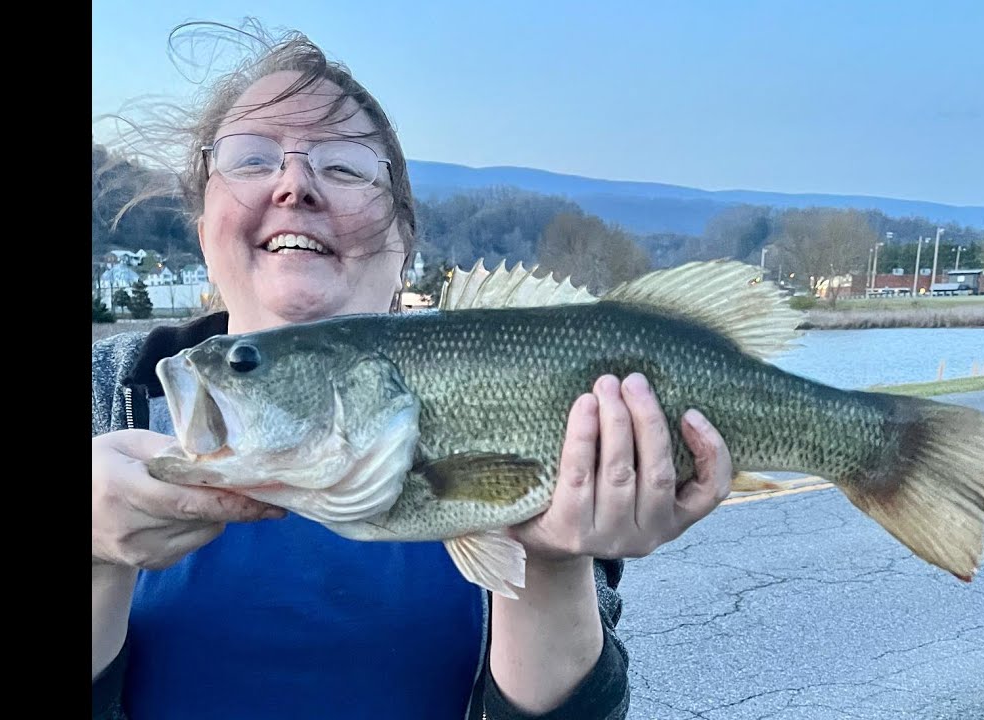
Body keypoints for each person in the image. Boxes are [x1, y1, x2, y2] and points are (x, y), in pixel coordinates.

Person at [92, 20, 736, 720]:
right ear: (202, 224)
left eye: (343, 165)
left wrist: (552, 563)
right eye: (251, 158)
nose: (295, 183)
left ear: (403, 240)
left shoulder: (542, 386)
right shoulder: (110, 394)